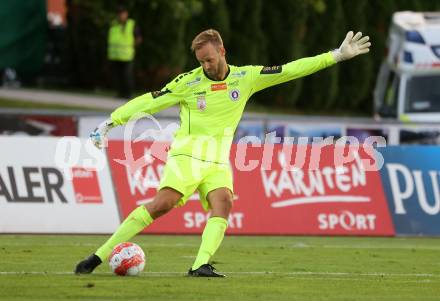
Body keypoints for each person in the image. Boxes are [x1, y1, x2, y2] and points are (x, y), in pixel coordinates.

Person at [75, 29, 371, 277]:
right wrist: (111, 122)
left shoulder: (246, 77)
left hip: (217, 160)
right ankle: (98, 256)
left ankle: (200, 265)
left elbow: (291, 69)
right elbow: (148, 102)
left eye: (209, 60)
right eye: (201, 62)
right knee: (162, 205)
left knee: (224, 202)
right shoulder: (187, 83)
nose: (206, 66)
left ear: (223, 51)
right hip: (187, 156)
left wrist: (336, 55)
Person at [107, 5, 142, 99]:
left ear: (126, 14)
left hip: (127, 55)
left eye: (122, 13)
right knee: (117, 77)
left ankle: (129, 94)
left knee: (127, 76)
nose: (120, 15)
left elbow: (138, 38)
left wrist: (131, 46)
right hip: (115, 55)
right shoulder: (113, 24)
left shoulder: (131, 24)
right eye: (119, 13)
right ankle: (120, 93)